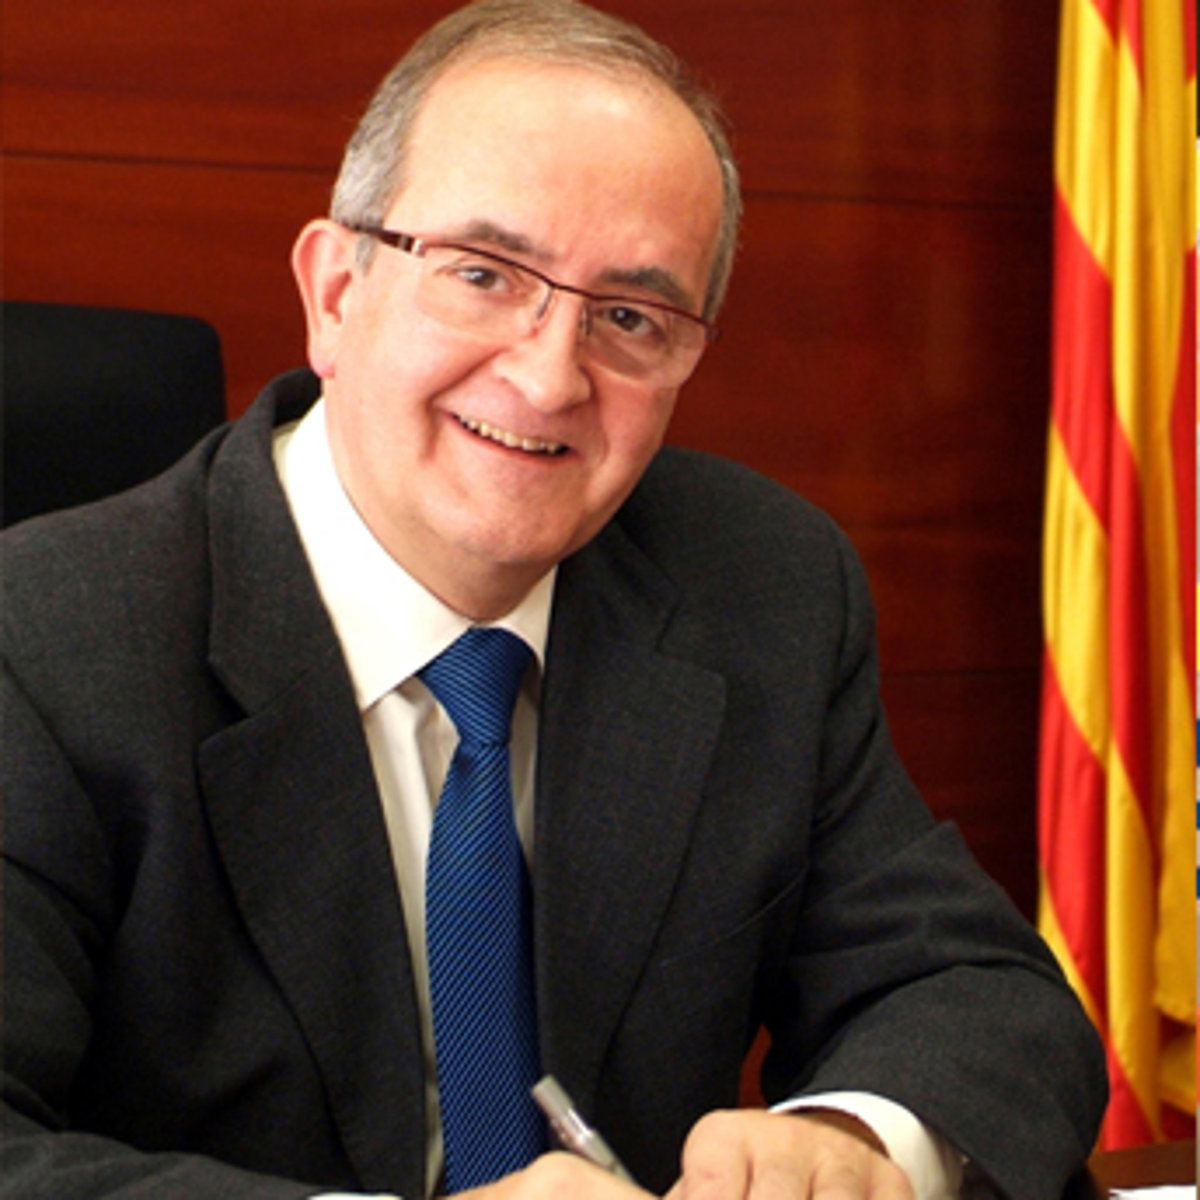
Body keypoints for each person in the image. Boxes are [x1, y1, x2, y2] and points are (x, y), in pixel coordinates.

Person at [0, 2, 1107, 1199]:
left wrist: (853, 1143)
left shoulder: (757, 587)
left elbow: (979, 995)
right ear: (335, 292)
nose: (546, 377)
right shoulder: (44, 642)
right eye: (482, 275)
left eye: (630, 318)